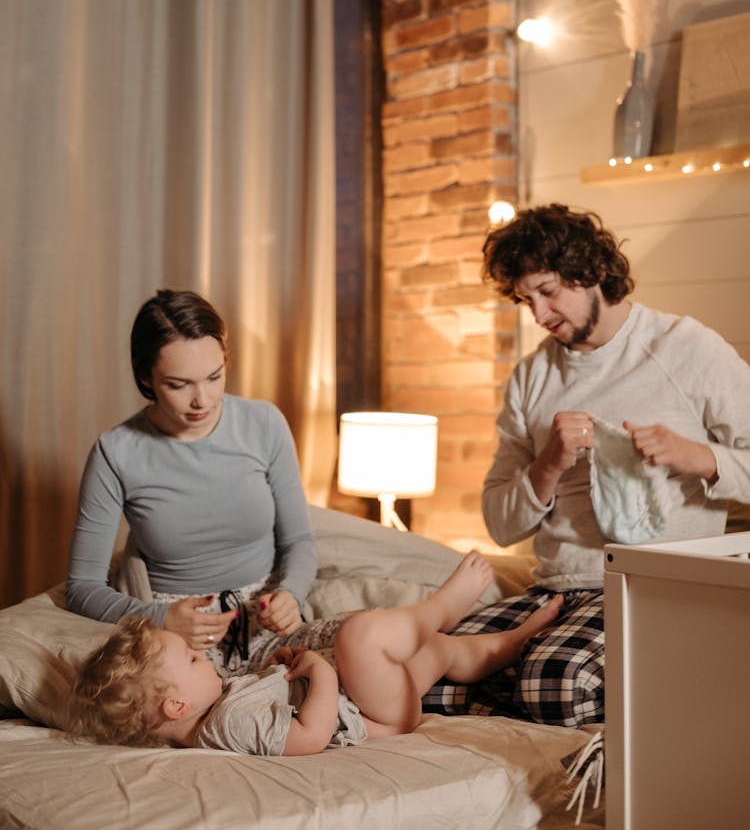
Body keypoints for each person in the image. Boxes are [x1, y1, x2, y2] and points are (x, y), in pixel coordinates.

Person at [424, 203, 750, 728]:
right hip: (556, 589)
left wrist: (699, 457)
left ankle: (542, 687)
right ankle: (545, 689)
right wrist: (547, 466)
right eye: (526, 299)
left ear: (593, 271)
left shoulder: (685, 349)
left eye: (548, 291)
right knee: (418, 667)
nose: (539, 315)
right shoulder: (532, 378)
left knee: (554, 682)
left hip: (650, 588)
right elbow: (499, 524)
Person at [66, 289, 326, 675]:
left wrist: (290, 593)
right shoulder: (115, 451)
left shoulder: (264, 423)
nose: (202, 400)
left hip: (269, 617)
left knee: (370, 646)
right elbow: (82, 587)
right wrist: (159, 617)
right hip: (179, 637)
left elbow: (298, 541)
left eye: (214, 377)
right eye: (178, 384)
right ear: (145, 377)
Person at [69, 551, 562, 754]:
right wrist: (320, 672)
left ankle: (512, 642)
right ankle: (438, 607)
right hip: (374, 715)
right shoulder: (229, 723)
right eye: (196, 661)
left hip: (374, 700)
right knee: (357, 639)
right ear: (175, 706)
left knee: (440, 654)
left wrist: (280, 660)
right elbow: (310, 735)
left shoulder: (217, 710)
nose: (208, 659)